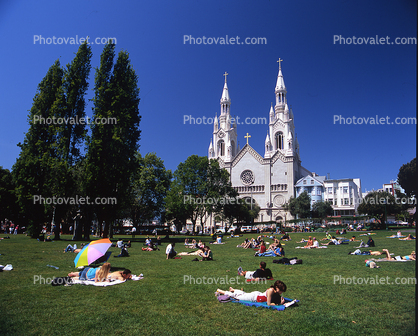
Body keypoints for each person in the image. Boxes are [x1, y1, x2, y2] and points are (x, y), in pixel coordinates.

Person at [216, 280, 287, 306]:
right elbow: (269, 304)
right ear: (277, 288)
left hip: (257, 295)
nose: (282, 292)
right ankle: (220, 291)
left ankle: (234, 290)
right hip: (254, 298)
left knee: (243, 293)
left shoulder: (275, 291)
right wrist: (280, 304)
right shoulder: (271, 291)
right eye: (281, 290)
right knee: (237, 297)